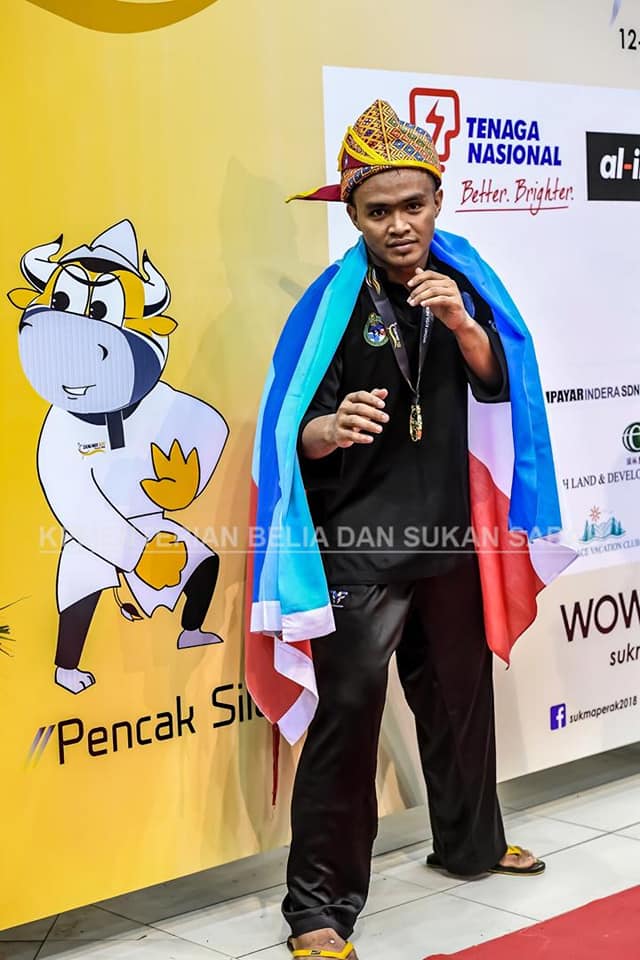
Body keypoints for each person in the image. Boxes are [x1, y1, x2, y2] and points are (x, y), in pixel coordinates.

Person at [247, 100, 569, 960]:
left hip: (451, 538)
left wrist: (462, 323)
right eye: (378, 210)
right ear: (353, 215)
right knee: (347, 720)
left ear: (437, 201)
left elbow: (501, 383)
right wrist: (331, 427)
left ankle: (470, 844)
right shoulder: (330, 306)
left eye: (413, 205)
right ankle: (317, 908)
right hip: (358, 543)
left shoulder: (463, 283)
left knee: (461, 699)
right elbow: (289, 433)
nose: (399, 225)